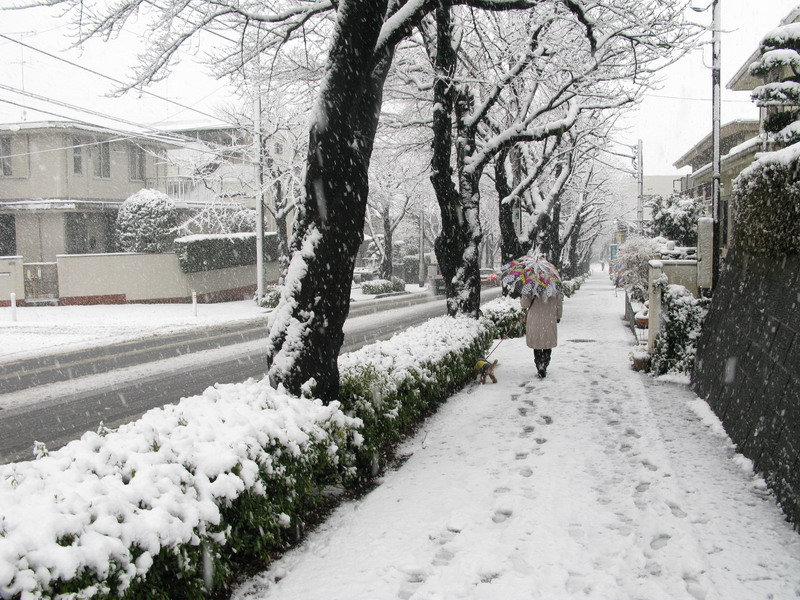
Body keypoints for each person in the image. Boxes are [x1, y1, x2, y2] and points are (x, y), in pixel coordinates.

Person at [520, 290, 563, 378]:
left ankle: (539, 364)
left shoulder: (531, 287)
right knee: (548, 343)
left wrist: (525, 294)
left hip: (535, 320)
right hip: (549, 319)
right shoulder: (553, 288)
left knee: (537, 343)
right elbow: (559, 303)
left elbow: (524, 304)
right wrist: (558, 316)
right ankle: (544, 364)